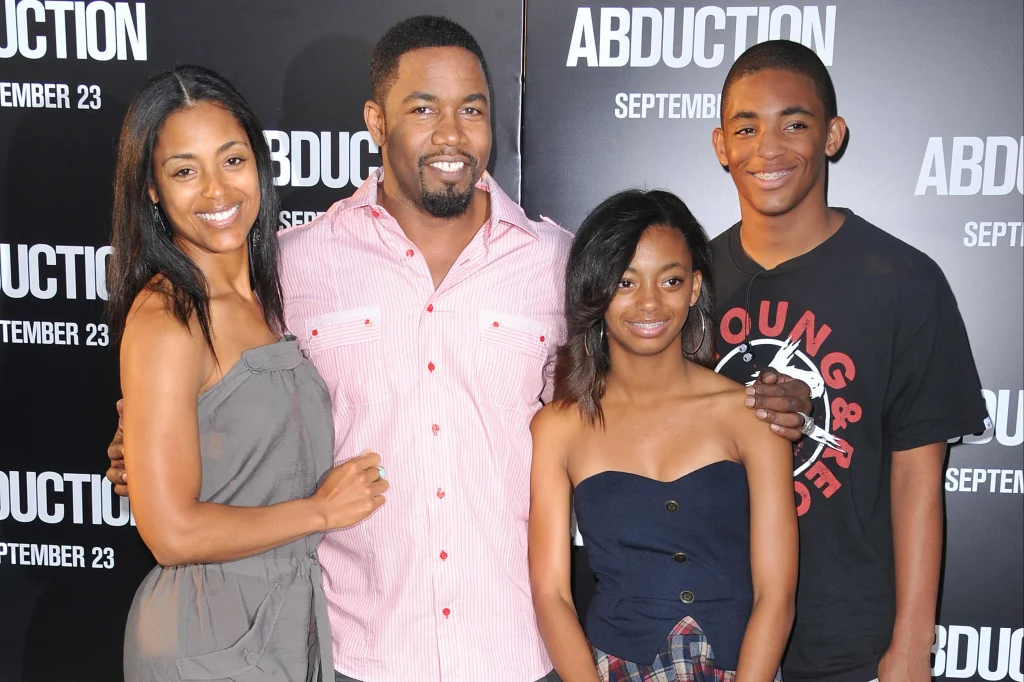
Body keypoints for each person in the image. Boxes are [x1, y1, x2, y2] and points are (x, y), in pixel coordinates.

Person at [105, 17, 812, 682]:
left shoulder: (558, 264)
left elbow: (649, 380)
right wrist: (147, 438)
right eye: (423, 109)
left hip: (517, 648)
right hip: (359, 650)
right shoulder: (290, 267)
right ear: (376, 121)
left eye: (471, 109)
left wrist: (761, 400)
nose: (452, 134)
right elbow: (224, 384)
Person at [709, 41, 989, 682]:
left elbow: (919, 476)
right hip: (716, 630)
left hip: (849, 641)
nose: (768, 148)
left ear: (832, 135)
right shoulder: (687, 282)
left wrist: (912, 646)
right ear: (722, 144)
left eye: (795, 123)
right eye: (747, 128)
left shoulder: (905, 282)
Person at [108, 65, 388, 681]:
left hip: (286, 626)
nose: (215, 190)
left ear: (259, 164)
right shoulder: (167, 316)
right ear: (152, 191)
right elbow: (172, 533)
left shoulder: (271, 292)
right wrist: (320, 511)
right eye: (184, 171)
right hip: (207, 635)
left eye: (231, 160)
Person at [529, 189, 797, 682]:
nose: (650, 302)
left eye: (670, 279)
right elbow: (551, 595)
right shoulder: (560, 426)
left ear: (694, 287)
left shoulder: (752, 415)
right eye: (625, 282)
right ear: (597, 289)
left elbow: (776, 596)